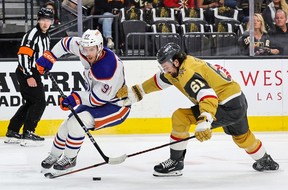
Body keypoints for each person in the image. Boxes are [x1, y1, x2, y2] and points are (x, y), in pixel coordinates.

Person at [125, 42, 279, 177]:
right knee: (242, 137)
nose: (165, 70)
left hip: (224, 105)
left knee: (180, 117)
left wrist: (205, 119)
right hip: (237, 100)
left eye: (165, 66)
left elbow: (208, 96)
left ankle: (176, 163)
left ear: (176, 62)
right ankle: (265, 160)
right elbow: (159, 80)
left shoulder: (187, 72)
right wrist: (137, 92)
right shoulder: (178, 68)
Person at [35, 29, 131, 173]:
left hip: (116, 105)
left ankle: (70, 158)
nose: (87, 53)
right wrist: (50, 56)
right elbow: (65, 43)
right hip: (96, 99)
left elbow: (97, 99)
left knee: (76, 124)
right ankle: (54, 155)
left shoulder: (109, 68)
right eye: (85, 49)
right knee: (65, 126)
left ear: (100, 47)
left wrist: (75, 98)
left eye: (91, 49)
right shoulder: (84, 47)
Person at [5, 8, 54, 143]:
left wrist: (44, 67)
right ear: (38, 20)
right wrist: (28, 75)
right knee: (39, 102)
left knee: (31, 102)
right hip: (26, 71)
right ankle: (28, 132)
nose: (45, 23)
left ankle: (13, 130)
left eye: (48, 20)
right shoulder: (32, 35)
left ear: (51, 22)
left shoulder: (46, 36)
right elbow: (23, 55)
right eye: (43, 20)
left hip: (33, 72)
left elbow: (44, 55)